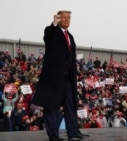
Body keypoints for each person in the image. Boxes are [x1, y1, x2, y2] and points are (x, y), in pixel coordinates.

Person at [31, 10, 88, 141]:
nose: (67, 20)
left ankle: (73, 132)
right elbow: (47, 37)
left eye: (69, 18)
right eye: (63, 17)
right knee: (52, 107)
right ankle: (53, 135)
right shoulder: (52, 31)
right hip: (54, 78)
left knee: (70, 105)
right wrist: (54, 24)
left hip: (68, 78)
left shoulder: (70, 36)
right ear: (58, 18)